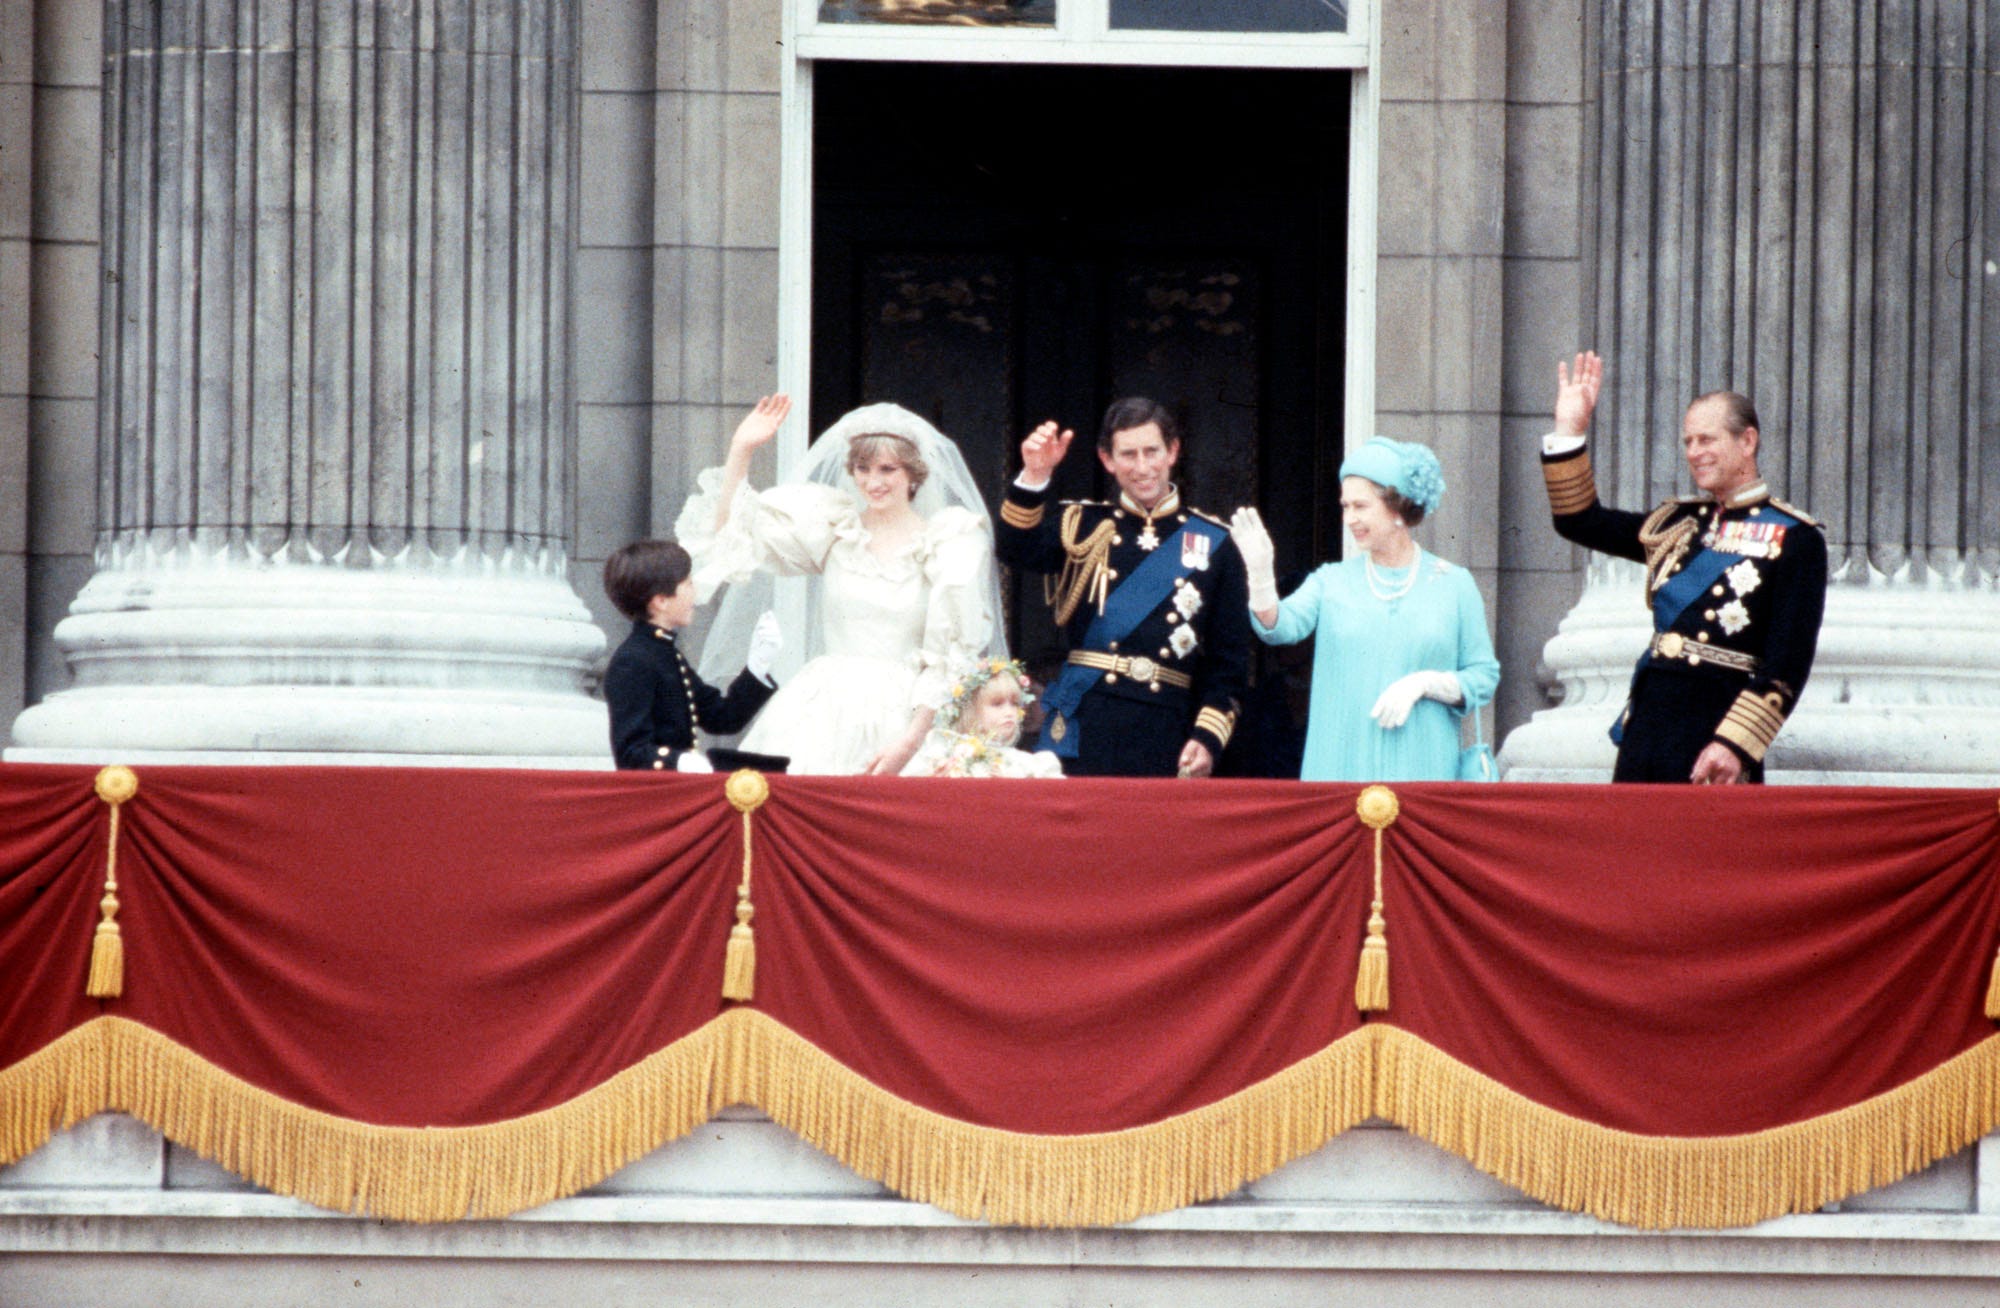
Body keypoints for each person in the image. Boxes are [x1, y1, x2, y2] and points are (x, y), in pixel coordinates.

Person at [675, 395, 1006, 776]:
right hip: (822, 709)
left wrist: (910, 742)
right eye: (863, 468)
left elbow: (948, 657)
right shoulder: (834, 527)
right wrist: (742, 450)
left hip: (905, 715)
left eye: (887, 469)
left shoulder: (946, 543)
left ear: (913, 474)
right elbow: (730, 531)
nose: (873, 481)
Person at [1541, 350, 1828, 784]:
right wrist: (1570, 430)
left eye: (1707, 439)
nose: (1695, 452)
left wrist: (1734, 745)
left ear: (1747, 441)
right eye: (1688, 441)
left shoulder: (1796, 538)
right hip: (1650, 726)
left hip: (1716, 731)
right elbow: (1579, 520)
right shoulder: (1677, 524)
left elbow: (1787, 663)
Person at [995, 397, 1250, 777]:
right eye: (1128, 454)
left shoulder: (1215, 544)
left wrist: (1207, 737)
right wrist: (1034, 476)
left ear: (1173, 452)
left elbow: (1228, 664)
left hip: (1166, 729)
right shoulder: (1081, 523)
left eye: (1152, 451)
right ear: (1107, 460)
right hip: (1085, 721)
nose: (1142, 467)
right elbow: (1015, 549)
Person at [1228, 439, 1500, 782]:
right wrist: (1260, 575)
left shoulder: (1455, 585)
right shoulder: (1330, 581)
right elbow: (1279, 628)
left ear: (1397, 506)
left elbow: (1483, 676)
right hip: (1342, 769)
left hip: (1424, 768)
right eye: (1345, 507)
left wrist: (1427, 683)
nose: (1349, 518)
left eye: (1361, 506)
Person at [601, 540, 779, 772]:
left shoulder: (664, 654)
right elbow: (631, 753)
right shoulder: (633, 661)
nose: (695, 593)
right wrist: (678, 761)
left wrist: (757, 666)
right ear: (661, 601)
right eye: (688, 584)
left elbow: (722, 717)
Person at [901, 657, 1065, 779]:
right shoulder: (939, 756)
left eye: (1014, 704)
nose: (1009, 712)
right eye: (997, 704)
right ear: (971, 711)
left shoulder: (1026, 764)